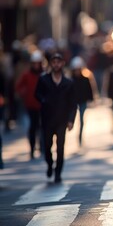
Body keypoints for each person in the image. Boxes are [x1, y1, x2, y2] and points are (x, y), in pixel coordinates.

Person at [35, 53, 77, 183]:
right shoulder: (44, 80)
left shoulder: (68, 83)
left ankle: (58, 172)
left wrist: (71, 120)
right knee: (47, 145)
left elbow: (73, 103)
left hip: (62, 120)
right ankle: (49, 164)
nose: (56, 65)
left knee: (60, 147)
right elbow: (37, 94)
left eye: (58, 62)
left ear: (62, 64)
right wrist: (44, 100)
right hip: (47, 119)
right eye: (54, 62)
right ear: (51, 64)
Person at [15, 50, 45, 159]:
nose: (36, 65)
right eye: (34, 63)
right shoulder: (27, 75)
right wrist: (23, 92)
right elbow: (18, 86)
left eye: (38, 63)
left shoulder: (44, 74)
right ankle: (32, 148)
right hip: (30, 105)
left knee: (42, 127)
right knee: (33, 126)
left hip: (43, 105)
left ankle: (42, 147)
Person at [70, 56, 97, 146]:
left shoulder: (86, 79)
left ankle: (80, 137)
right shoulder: (70, 80)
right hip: (73, 103)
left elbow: (90, 90)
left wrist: (92, 99)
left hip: (82, 102)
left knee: (82, 119)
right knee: (71, 119)